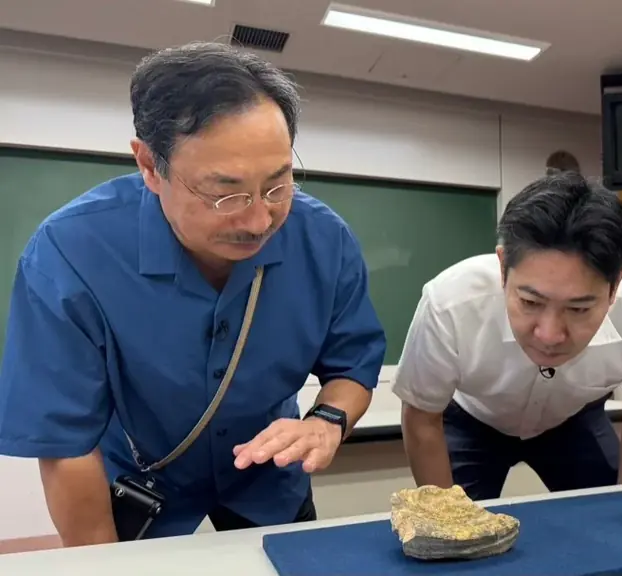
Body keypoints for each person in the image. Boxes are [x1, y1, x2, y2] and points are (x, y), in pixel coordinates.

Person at [0, 42, 386, 543]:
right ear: (148, 165)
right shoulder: (70, 254)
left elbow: (352, 363)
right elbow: (67, 445)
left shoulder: (323, 239)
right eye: (224, 193)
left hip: (268, 480)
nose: (258, 220)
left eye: (278, 185)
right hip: (142, 482)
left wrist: (328, 421)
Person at [393, 172, 622, 501]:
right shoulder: (450, 303)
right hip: (471, 419)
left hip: (574, 418)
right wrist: (444, 521)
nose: (549, 335)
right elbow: (421, 417)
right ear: (503, 268)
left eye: (578, 309)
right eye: (530, 302)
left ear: (617, 283)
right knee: (454, 536)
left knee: (609, 518)